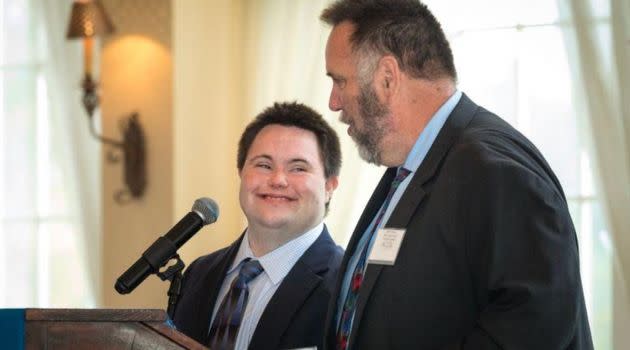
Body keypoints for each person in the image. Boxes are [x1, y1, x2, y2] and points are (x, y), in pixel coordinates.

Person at [320, 1, 593, 349]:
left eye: (339, 81)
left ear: (387, 78)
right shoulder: (410, 169)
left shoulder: (494, 170)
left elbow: (532, 324)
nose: (333, 102)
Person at [171, 102, 344, 350]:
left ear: (329, 187)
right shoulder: (198, 274)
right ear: (241, 172)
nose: (277, 180)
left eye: (298, 168)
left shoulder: (346, 285)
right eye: (263, 165)